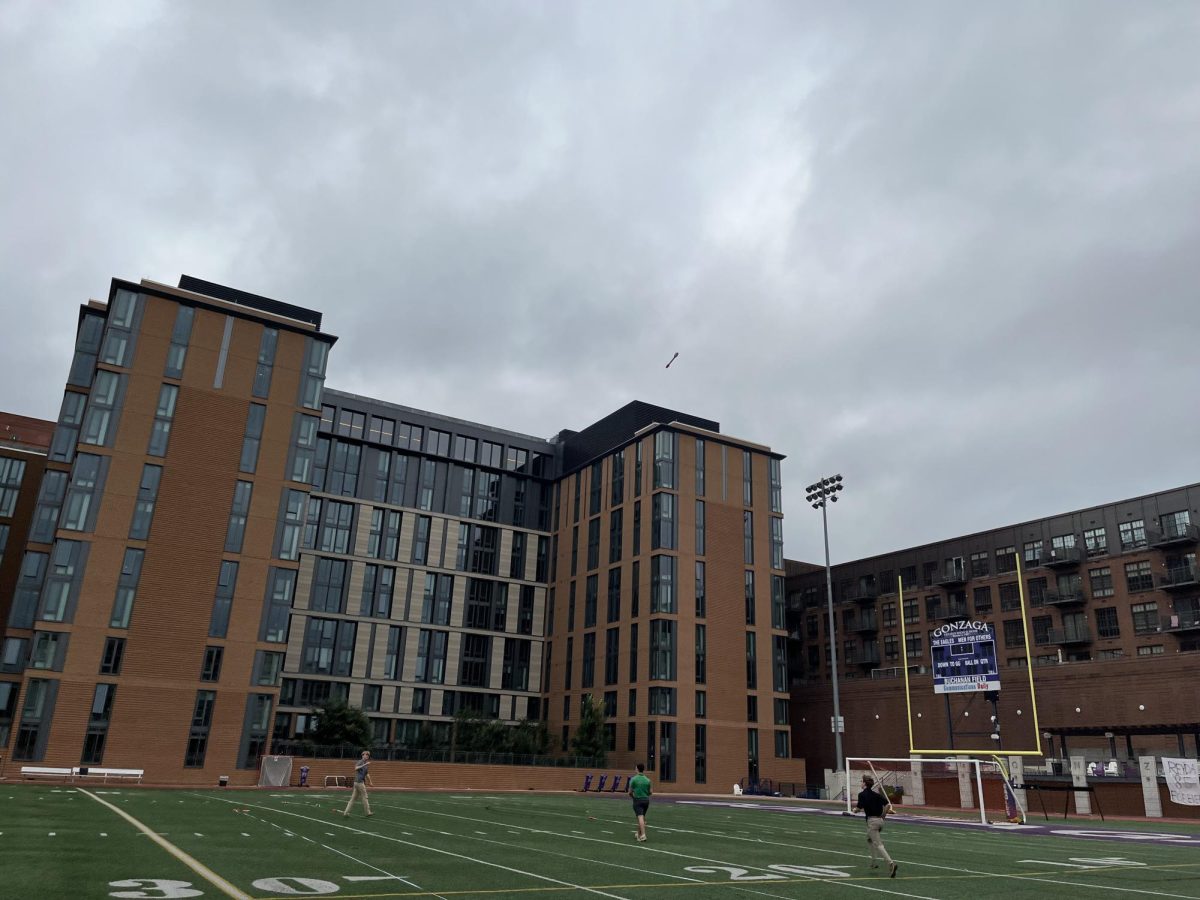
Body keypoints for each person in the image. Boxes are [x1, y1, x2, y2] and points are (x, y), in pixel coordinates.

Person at [851, 775, 896, 877]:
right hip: (880, 821)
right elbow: (888, 805)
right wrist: (883, 816)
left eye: (861, 781)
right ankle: (874, 862)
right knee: (869, 839)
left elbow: (859, 808)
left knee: (878, 844)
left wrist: (854, 810)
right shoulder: (876, 794)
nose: (860, 783)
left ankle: (891, 864)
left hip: (872, 821)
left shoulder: (862, 794)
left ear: (864, 784)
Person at [342, 750, 373, 817]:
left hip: (357, 783)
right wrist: (365, 764)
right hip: (359, 782)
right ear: (362, 755)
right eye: (366, 754)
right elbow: (356, 768)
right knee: (365, 797)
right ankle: (368, 812)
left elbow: (367, 774)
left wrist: (370, 782)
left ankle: (346, 812)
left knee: (353, 798)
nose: (367, 756)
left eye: (368, 755)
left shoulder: (366, 764)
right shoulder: (360, 762)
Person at [628, 762, 652, 842]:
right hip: (646, 800)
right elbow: (650, 792)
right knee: (642, 817)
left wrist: (633, 797)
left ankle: (643, 835)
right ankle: (638, 834)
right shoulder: (648, 780)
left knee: (640, 817)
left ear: (637, 769)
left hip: (638, 800)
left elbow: (630, 792)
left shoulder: (633, 779)